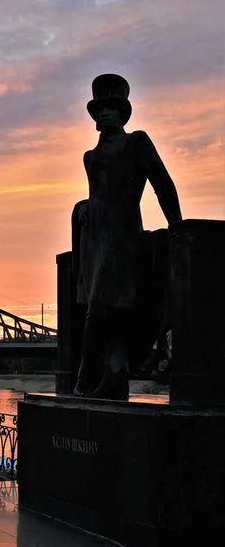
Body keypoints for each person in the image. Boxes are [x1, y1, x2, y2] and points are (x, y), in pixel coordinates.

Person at [73, 74, 182, 399]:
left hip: (123, 241)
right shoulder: (89, 157)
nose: (105, 113)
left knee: (101, 311)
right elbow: (96, 197)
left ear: (123, 113)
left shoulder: (136, 142)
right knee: (112, 315)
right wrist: (82, 208)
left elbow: (162, 182)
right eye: (100, 108)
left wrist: (175, 225)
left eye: (112, 108)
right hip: (95, 243)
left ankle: (85, 379)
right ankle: (114, 376)